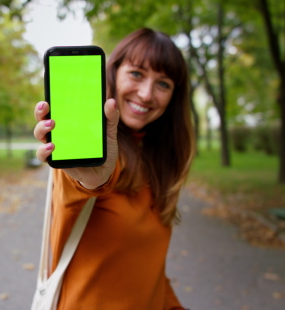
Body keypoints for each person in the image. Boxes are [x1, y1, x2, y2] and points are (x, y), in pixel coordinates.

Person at [33, 28, 194, 309]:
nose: (146, 94)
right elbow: (83, 183)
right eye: (136, 74)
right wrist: (93, 179)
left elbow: (150, 271)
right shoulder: (90, 155)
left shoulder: (158, 164)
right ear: (113, 74)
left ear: (174, 97)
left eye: (163, 84)